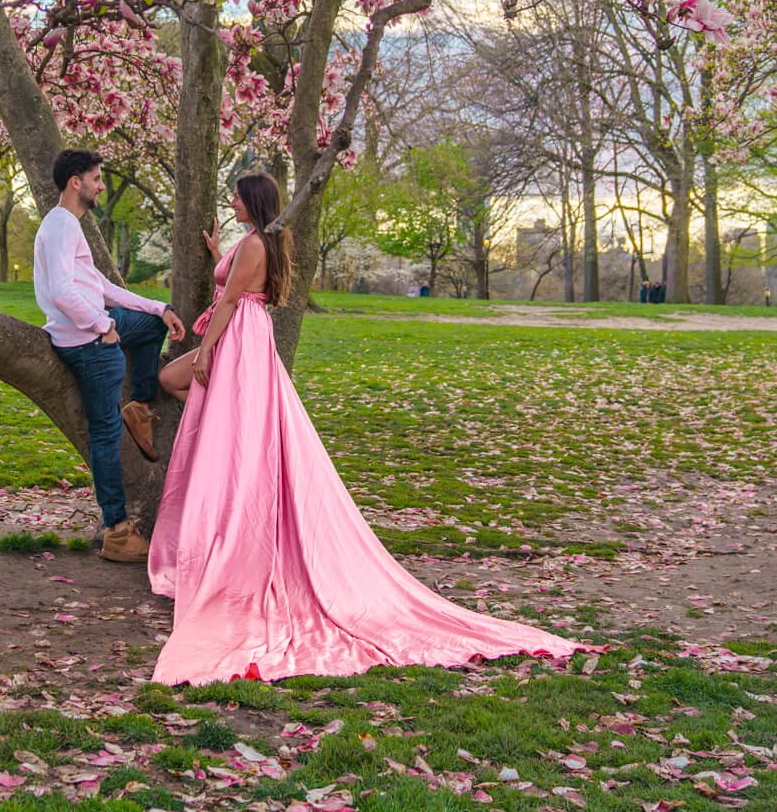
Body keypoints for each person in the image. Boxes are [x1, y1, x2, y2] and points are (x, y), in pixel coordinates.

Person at [149, 173, 600, 684]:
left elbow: (230, 302)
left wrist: (207, 350)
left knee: (193, 389)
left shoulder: (256, 245)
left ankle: (224, 482)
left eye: (235, 194)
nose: (229, 200)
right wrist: (216, 254)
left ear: (252, 202)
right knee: (203, 397)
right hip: (250, 338)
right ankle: (214, 433)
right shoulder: (261, 243)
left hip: (238, 339)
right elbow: (233, 286)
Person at [33, 149, 186, 564]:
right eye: (96, 178)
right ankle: (117, 530)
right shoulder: (62, 226)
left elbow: (96, 283)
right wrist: (103, 327)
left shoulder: (66, 224)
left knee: (153, 326)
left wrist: (158, 308)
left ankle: (138, 406)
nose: (101, 185)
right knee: (104, 432)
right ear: (75, 182)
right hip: (87, 342)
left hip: (90, 328)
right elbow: (64, 293)